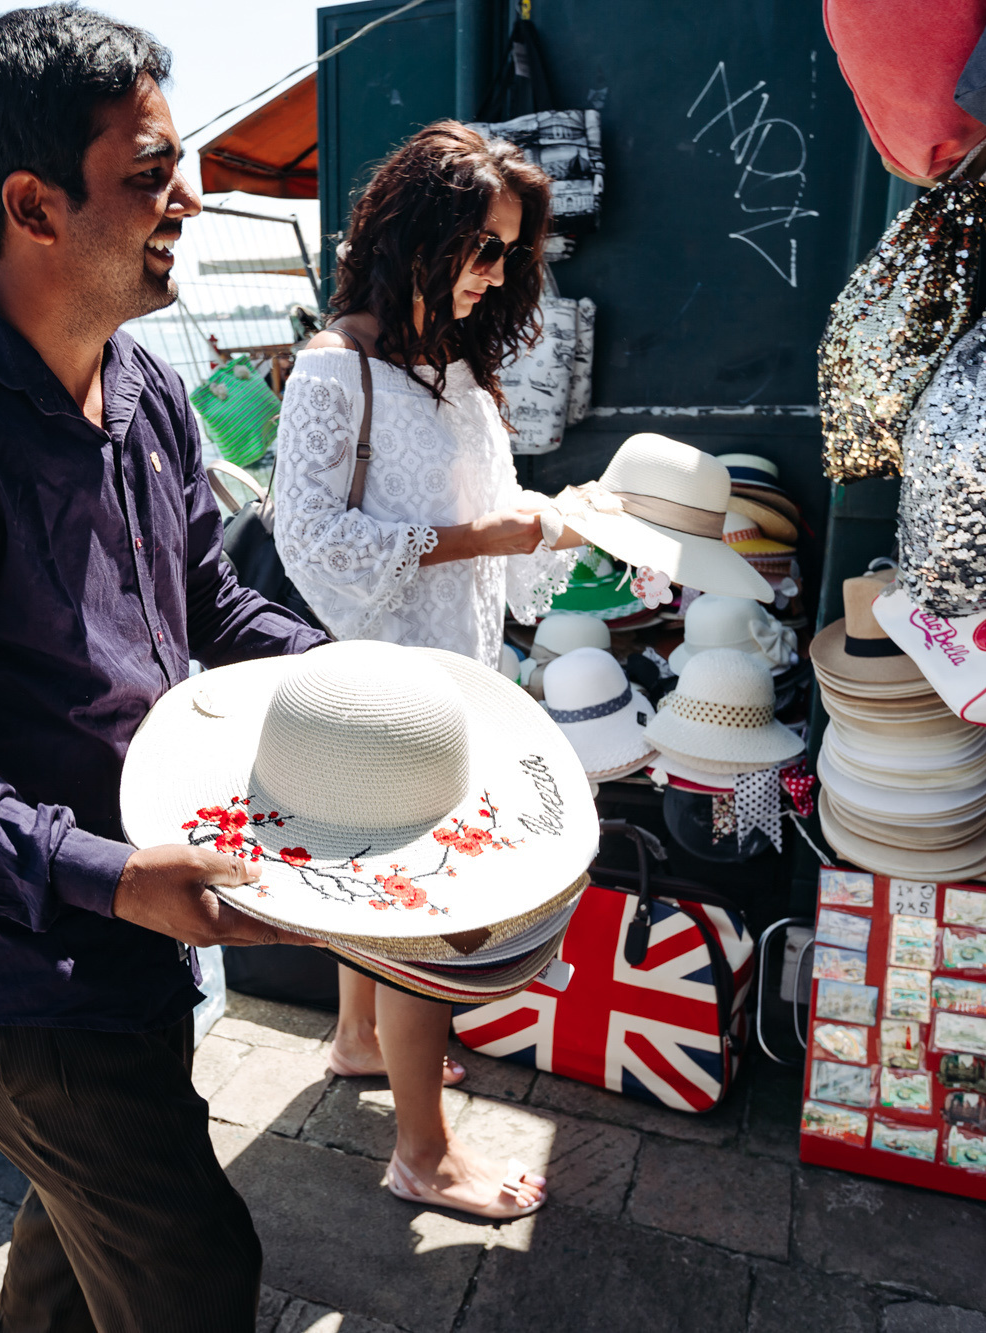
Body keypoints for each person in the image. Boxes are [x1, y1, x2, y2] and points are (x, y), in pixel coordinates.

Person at [0, 8, 325, 1331]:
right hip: (20, 978)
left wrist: (346, 682)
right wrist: (111, 876)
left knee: (82, 1242)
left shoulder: (147, 390)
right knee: (192, 1268)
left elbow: (206, 600)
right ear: (32, 204)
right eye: (150, 172)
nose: (189, 198)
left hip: (145, 924)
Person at [274, 121, 583, 1220]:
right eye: (480, 248)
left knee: (381, 890)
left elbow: (479, 515)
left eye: (508, 253)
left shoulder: (453, 369)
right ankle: (420, 1153)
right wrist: (485, 542)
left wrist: (542, 529)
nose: (495, 273)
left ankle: (357, 1040)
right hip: (388, 693)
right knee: (424, 908)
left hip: (458, 667)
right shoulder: (335, 370)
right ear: (415, 236)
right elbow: (309, 543)